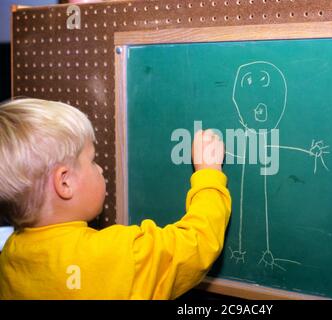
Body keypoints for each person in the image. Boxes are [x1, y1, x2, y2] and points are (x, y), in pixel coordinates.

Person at [0, 98, 231, 299]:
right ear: (65, 182)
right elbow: (197, 245)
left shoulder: (10, 257)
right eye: (91, 160)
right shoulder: (118, 255)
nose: (100, 169)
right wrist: (208, 173)